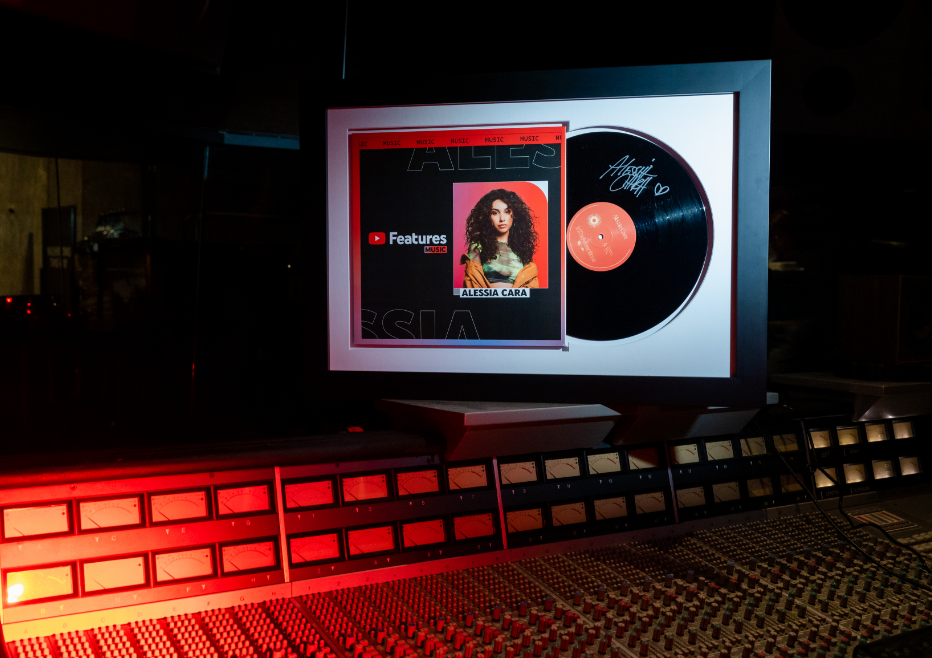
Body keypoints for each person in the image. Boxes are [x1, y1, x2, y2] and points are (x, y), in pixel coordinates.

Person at [460, 189, 539, 288]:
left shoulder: (522, 248)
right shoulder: (478, 245)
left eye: (507, 211)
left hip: (517, 303)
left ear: (514, 215)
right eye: (495, 213)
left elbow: (531, 285)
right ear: (487, 216)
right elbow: (472, 282)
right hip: (486, 303)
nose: (502, 218)